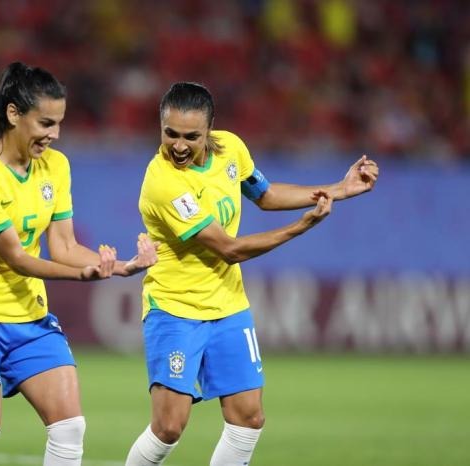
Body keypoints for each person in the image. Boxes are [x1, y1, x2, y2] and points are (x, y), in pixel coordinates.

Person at [125, 82, 379, 466]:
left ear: (210, 131)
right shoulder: (163, 183)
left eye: (191, 136)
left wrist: (339, 189)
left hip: (228, 307)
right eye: (170, 133)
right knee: (169, 427)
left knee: (248, 418)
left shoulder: (231, 148)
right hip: (175, 310)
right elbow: (229, 249)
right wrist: (300, 227)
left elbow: (266, 194)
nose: (178, 145)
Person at [0, 62, 157, 466]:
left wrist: (121, 266)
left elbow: (65, 246)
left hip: (28, 317)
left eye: (59, 123)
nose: (53, 134)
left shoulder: (56, 165)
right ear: (14, 113)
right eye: (45, 122)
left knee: (70, 428)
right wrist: (82, 274)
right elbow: (17, 258)